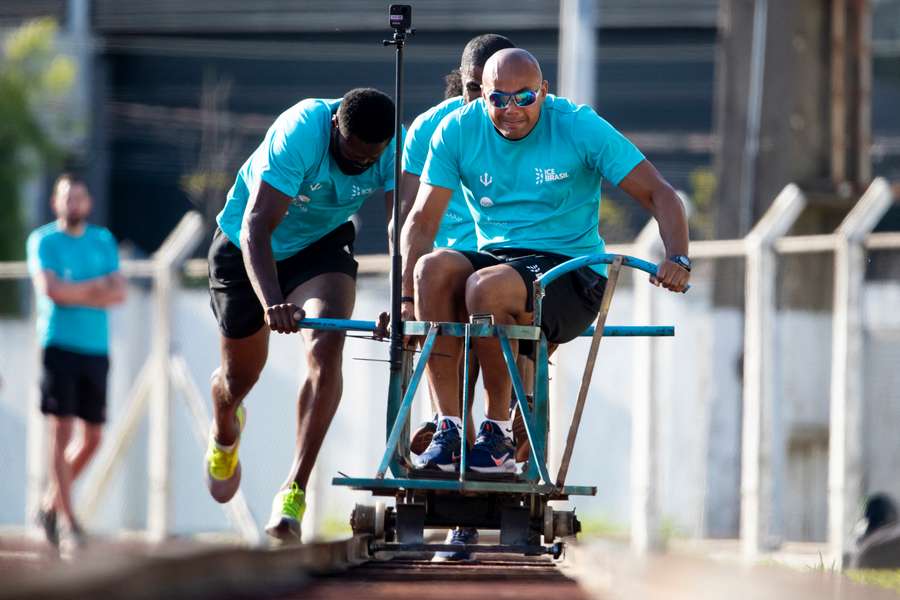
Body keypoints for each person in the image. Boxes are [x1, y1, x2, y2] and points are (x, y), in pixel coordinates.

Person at [400, 48, 690, 476]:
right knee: (432, 270)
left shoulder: (578, 125)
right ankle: (450, 429)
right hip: (499, 261)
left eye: (524, 97)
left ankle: (497, 434)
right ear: (481, 95)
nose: (511, 109)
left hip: (571, 270)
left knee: (484, 288)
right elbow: (421, 221)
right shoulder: (456, 129)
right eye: (498, 99)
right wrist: (406, 301)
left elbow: (659, 192)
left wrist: (678, 255)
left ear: (544, 91)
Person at [206, 87, 397, 544]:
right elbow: (255, 227)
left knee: (326, 350)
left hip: (320, 247)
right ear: (335, 128)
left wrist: (403, 300)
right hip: (249, 248)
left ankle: (293, 489)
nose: (360, 166)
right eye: (352, 155)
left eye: (370, 159)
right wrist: (272, 301)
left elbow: (402, 229)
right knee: (239, 378)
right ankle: (225, 428)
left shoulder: (395, 147)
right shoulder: (301, 132)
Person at [398, 33, 516, 562]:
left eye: (487, 90)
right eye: (471, 88)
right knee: (450, 396)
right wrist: (404, 295)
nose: (479, 100)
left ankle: (501, 471)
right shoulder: (433, 128)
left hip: (502, 270)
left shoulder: (519, 124)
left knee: (514, 382)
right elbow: (408, 218)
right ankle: (459, 515)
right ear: (462, 83)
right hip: (443, 277)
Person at [26, 173, 127, 548]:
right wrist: (94, 290)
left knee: (94, 437)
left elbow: (118, 294)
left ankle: (50, 504)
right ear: (56, 202)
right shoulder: (44, 241)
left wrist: (76, 292)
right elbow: (52, 291)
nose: (74, 203)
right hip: (59, 345)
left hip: (96, 348)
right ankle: (69, 521)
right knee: (62, 430)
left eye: (80, 197)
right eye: (67, 197)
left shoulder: (102, 240)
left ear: (89, 202)